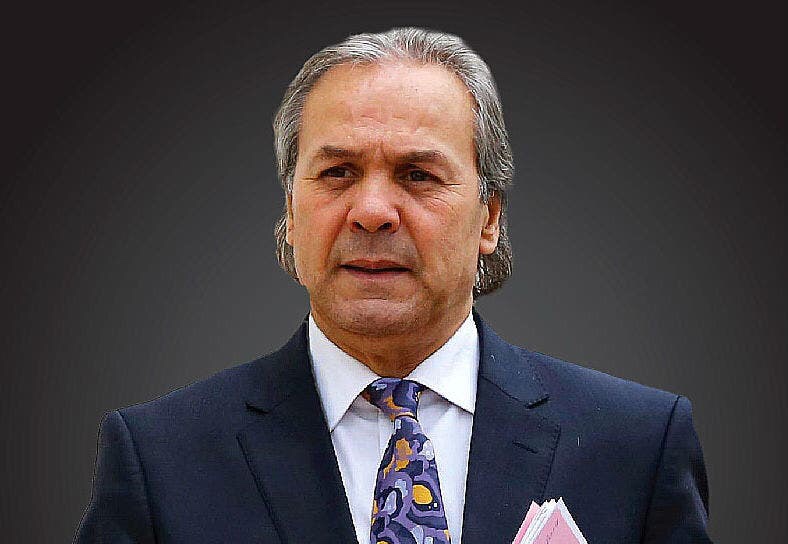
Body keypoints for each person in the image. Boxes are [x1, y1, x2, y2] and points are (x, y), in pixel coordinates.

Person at [75, 28, 712, 543]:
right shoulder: (161, 458)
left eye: (417, 175)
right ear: (291, 213)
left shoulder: (634, 446)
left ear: (489, 218)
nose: (372, 212)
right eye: (338, 172)